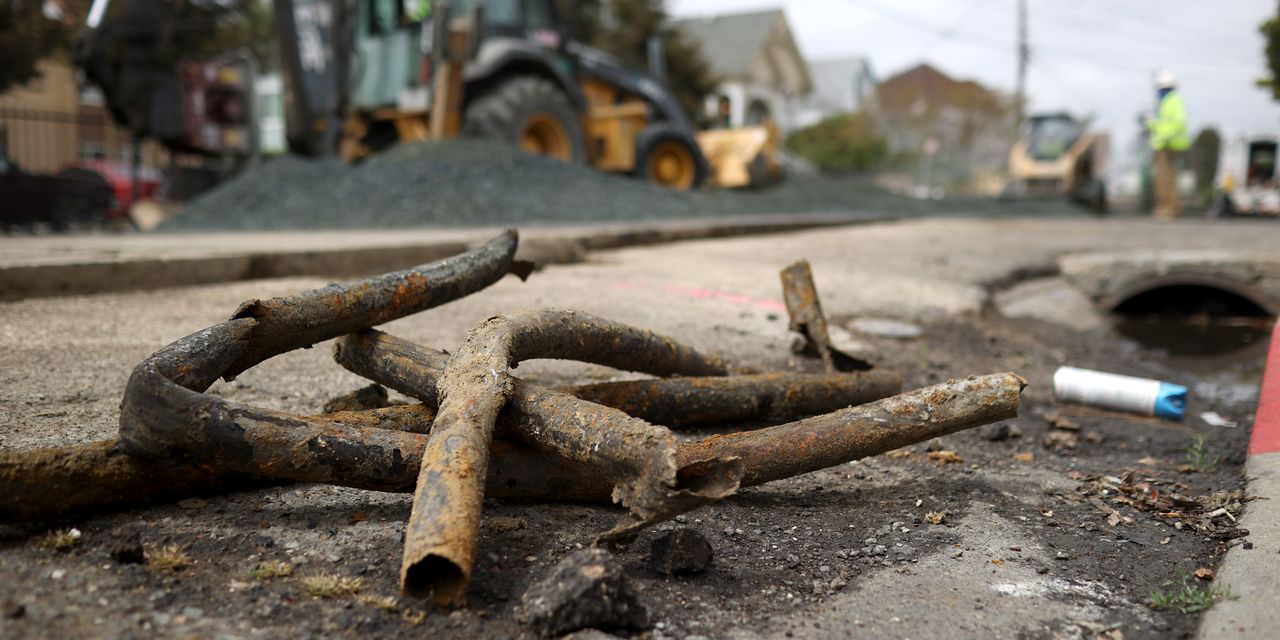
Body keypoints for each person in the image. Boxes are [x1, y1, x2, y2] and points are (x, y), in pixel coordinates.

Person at [1146, 69, 1190, 219]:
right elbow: (1163, 124)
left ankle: (1169, 209)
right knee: (1165, 178)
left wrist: (1166, 138)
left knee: (1166, 178)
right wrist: (1151, 123)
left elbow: (1179, 123)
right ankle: (1168, 208)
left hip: (1168, 145)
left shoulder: (1172, 100)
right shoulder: (1167, 102)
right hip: (1164, 145)